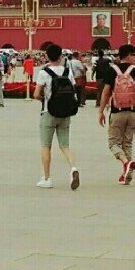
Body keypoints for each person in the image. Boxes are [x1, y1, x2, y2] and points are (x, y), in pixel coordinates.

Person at [98, 44, 135, 184]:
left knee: (113, 143)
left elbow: (105, 92)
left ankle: (126, 162)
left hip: (117, 112)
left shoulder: (112, 70)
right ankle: (128, 175)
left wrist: (101, 111)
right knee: (127, 143)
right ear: (128, 55)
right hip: (133, 112)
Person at [33, 43, 80, 190]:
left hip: (49, 112)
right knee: (65, 145)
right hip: (65, 112)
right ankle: (73, 167)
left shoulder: (44, 72)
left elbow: (36, 94)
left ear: (47, 56)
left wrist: (44, 99)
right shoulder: (68, 72)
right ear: (61, 56)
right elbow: (73, 90)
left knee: (46, 146)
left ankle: (47, 178)